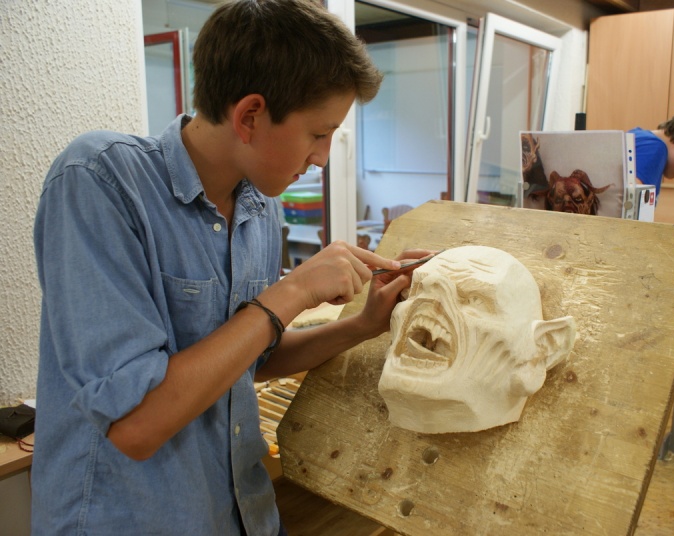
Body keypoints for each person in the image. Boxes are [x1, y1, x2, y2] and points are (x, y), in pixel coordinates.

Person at [31, 1, 430, 534]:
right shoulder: (100, 180)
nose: (323, 157)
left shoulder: (259, 207)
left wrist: (362, 325)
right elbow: (135, 424)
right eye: (318, 133)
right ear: (250, 116)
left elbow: (249, 359)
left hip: (240, 513)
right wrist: (293, 291)